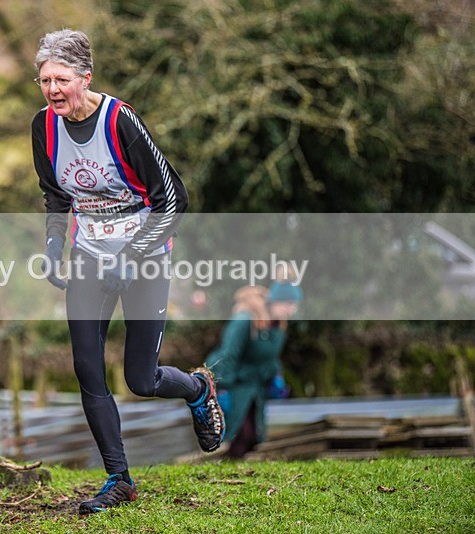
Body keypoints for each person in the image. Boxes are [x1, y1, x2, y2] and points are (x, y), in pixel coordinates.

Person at [31, 29, 225, 515]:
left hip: (147, 250)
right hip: (91, 255)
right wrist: (55, 245)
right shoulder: (44, 127)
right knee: (86, 368)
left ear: (85, 77)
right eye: (44, 80)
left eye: (61, 79)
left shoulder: (121, 122)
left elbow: (173, 199)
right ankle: (119, 479)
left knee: (140, 378)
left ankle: (198, 389)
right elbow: (56, 193)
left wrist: (132, 256)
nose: (52, 90)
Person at [204, 280, 303, 459]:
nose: (292, 310)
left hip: (254, 388)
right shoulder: (245, 320)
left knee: (255, 435)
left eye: (295, 305)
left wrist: (276, 377)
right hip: (234, 384)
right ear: (275, 301)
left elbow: (271, 358)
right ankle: (221, 469)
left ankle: (238, 471)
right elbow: (228, 354)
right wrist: (221, 388)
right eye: (289, 304)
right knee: (236, 434)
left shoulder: (277, 325)